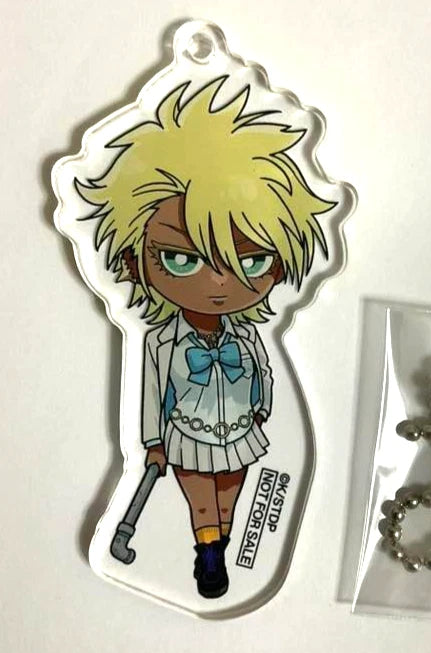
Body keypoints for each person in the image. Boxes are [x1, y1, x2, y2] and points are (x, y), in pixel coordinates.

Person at [76, 76, 334, 598]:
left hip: (239, 427)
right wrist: (152, 442)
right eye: (180, 258)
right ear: (135, 261)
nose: (218, 283)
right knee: (201, 499)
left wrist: (261, 407)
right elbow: (150, 390)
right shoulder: (160, 340)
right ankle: (209, 554)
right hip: (186, 432)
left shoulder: (248, 334)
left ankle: (219, 539)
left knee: (229, 494)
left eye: (250, 261)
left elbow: (262, 369)